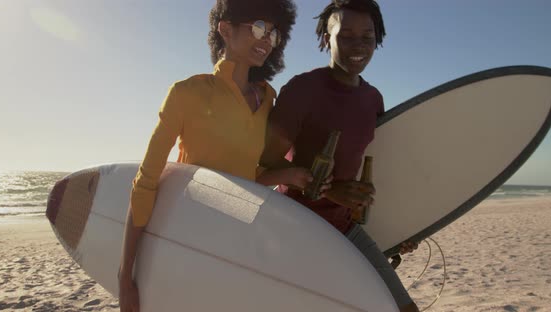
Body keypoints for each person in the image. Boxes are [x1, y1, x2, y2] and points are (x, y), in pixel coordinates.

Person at [117, 1, 302, 311]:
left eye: (274, 33)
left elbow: (241, 178)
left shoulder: (268, 98)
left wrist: (287, 175)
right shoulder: (187, 93)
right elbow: (147, 181)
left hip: (241, 239)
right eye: (259, 28)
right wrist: (125, 277)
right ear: (225, 29)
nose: (267, 39)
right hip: (190, 235)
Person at [260, 0, 419, 311]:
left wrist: (405, 226)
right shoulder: (302, 89)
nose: (357, 46)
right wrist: (331, 190)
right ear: (325, 39)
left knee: (402, 307)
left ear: (378, 40)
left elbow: (373, 168)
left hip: (346, 227)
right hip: (295, 226)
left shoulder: (372, 99)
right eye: (345, 36)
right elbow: (265, 163)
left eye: (367, 37)